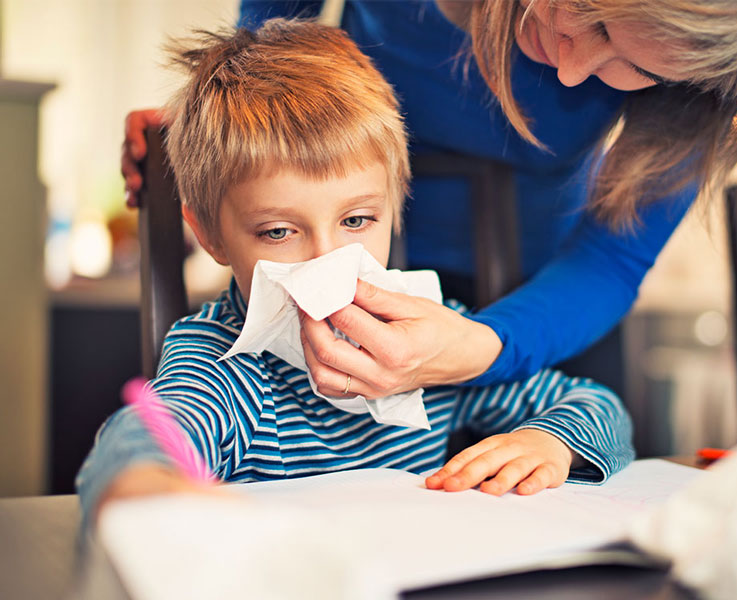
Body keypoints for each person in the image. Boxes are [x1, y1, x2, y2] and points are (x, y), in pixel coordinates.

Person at [78, 19, 634, 522]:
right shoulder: (220, 363)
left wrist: (549, 442)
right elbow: (151, 433)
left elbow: (595, 405)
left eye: (357, 219)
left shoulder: (427, 341)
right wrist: (144, 481)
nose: (330, 262)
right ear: (211, 236)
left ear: (395, 212)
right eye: (279, 231)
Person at [121, 1, 737, 401]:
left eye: (636, 66)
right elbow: (157, 441)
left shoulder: (710, 74)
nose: (567, 67)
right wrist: (225, 133)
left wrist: (488, 349)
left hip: (533, 311)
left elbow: (612, 265)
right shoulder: (216, 376)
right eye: (589, 11)